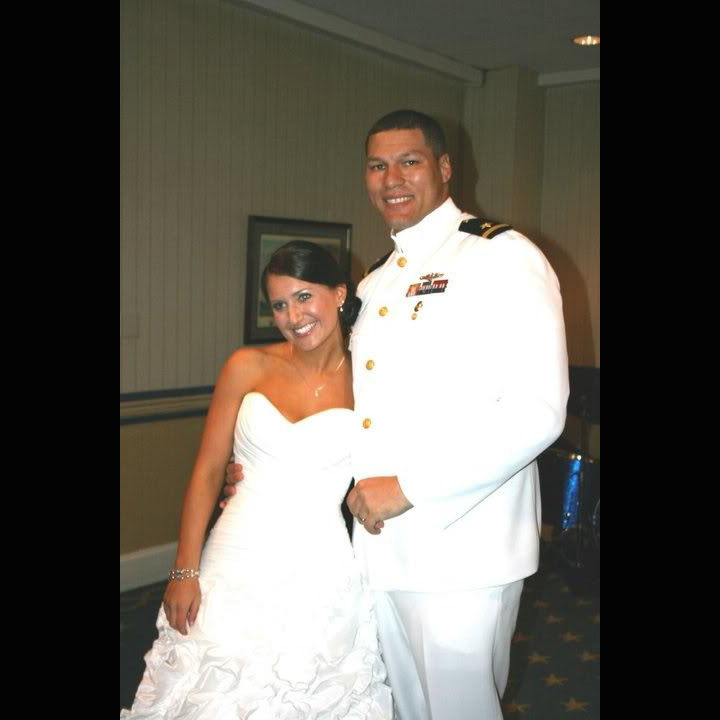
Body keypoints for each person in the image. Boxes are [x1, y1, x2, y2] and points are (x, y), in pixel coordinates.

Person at [223, 109, 569, 720]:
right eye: (377, 166)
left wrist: (411, 489)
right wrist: (275, 471)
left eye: (409, 161)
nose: (392, 179)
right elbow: (354, 402)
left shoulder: (500, 256)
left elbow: (538, 411)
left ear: (444, 167)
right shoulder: (375, 284)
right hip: (379, 552)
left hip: (464, 552)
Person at [121, 241, 393, 719]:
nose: (293, 316)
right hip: (234, 554)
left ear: (339, 294)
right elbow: (208, 470)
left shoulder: (370, 382)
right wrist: (184, 570)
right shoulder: (246, 366)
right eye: (279, 305)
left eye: (304, 297)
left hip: (319, 564)